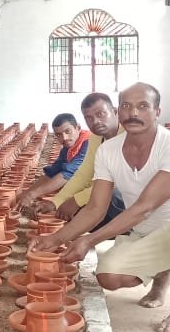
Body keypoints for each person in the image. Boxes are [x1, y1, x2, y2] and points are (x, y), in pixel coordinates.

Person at [34, 83, 170, 332]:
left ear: (157, 112)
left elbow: (145, 207)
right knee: (108, 276)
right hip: (148, 234)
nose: (133, 112)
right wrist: (55, 239)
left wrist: (89, 240)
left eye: (143, 106)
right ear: (119, 111)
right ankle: (165, 270)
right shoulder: (107, 151)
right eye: (126, 106)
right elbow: (95, 208)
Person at [24, 93, 127, 230]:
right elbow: (83, 174)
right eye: (89, 118)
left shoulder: (129, 136)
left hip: (134, 200)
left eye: (101, 114)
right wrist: (56, 202)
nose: (95, 121)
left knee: (111, 197)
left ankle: (127, 231)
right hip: (105, 192)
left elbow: (117, 183)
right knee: (75, 212)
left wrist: (76, 200)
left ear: (114, 111)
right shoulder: (96, 138)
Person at [13, 113, 90, 212]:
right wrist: (26, 193)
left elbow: (67, 174)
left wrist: (32, 194)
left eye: (68, 131)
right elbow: (51, 173)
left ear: (78, 128)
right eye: (58, 134)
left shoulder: (88, 143)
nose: (64, 137)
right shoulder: (67, 148)